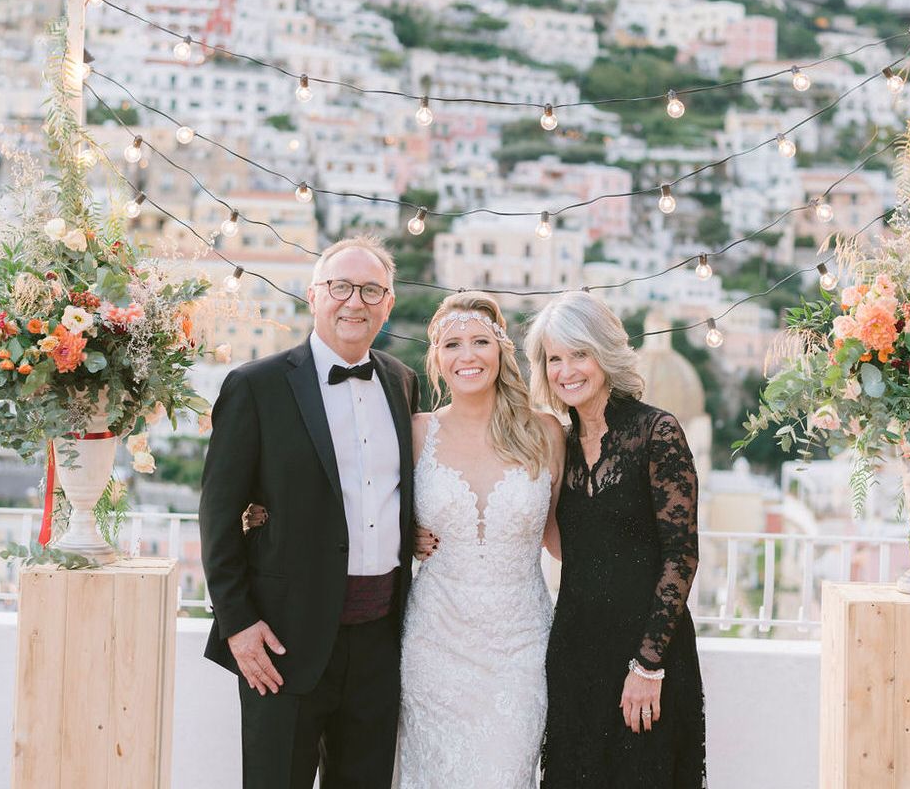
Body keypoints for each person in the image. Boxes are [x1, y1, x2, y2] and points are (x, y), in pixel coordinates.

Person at [199, 234, 419, 789]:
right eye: (341, 287)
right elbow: (218, 515)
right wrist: (237, 624)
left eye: (371, 290)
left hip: (379, 643)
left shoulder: (402, 381)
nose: (355, 302)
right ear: (313, 295)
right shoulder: (255, 386)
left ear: (389, 304)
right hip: (282, 640)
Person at [524, 291, 707, 788]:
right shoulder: (559, 443)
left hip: (647, 654)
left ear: (604, 353)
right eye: (554, 359)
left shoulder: (656, 432)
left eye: (579, 354)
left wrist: (647, 666)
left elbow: (681, 556)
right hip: (575, 652)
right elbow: (559, 541)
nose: (566, 371)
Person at [397, 291, 564, 789]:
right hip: (434, 645)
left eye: (479, 342)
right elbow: (372, 512)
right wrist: (405, 535)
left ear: (500, 350)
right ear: (436, 358)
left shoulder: (546, 432)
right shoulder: (416, 432)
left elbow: (563, 538)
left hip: (521, 648)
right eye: (452, 344)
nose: (466, 355)